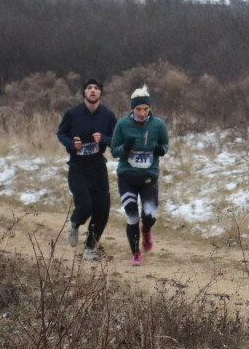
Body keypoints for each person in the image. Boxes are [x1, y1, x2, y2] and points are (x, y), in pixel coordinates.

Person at [57, 78, 117, 260]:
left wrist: (104, 140)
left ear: (100, 93)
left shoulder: (108, 115)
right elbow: (61, 133)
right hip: (78, 168)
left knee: (102, 210)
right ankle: (74, 223)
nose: (93, 91)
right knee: (85, 206)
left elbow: (117, 140)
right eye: (89, 88)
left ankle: (90, 248)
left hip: (98, 167)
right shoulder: (72, 114)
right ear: (84, 92)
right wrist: (71, 145)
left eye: (96, 88)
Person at [110, 85, 169, 266]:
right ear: (132, 109)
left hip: (148, 177)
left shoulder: (158, 125)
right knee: (132, 216)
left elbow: (165, 145)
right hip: (127, 176)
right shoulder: (122, 124)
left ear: (149, 108)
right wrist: (125, 149)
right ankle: (135, 253)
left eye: (145, 109)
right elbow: (114, 151)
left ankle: (146, 231)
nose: (142, 113)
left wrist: (160, 150)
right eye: (138, 109)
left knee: (149, 215)